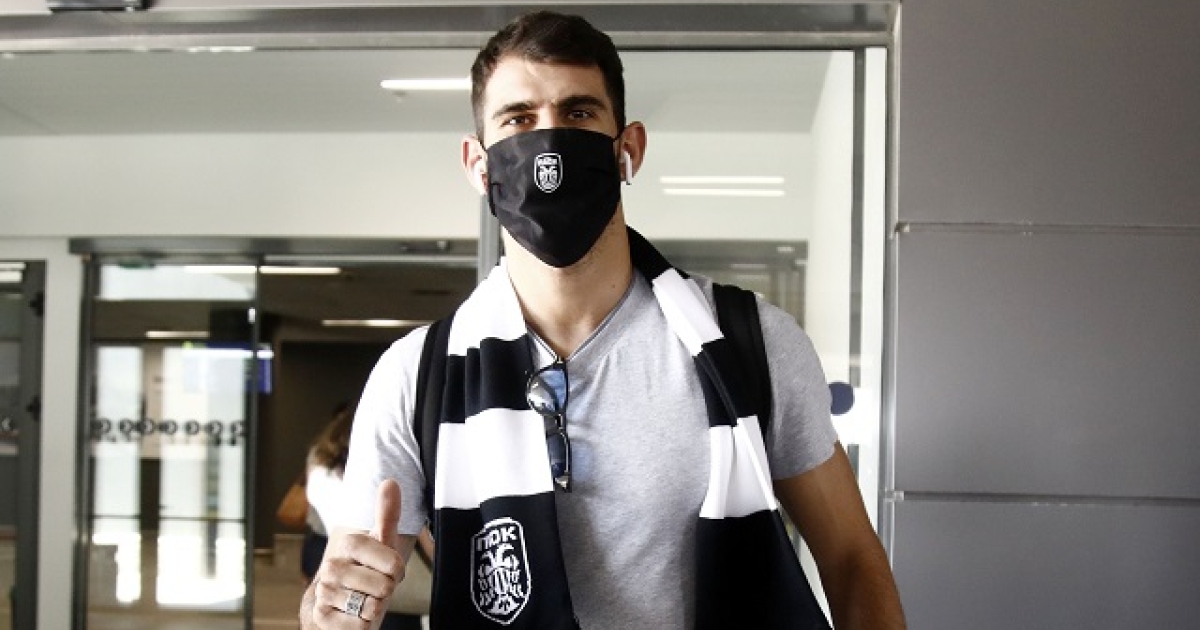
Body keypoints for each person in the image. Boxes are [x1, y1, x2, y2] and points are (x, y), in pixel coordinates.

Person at [301, 10, 905, 630]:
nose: (548, 145)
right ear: (478, 165)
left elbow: (852, 560)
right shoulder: (418, 375)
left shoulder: (752, 344)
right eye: (518, 119)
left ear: (628, 149)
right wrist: (336, 607)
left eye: (579, 113)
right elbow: (339, 595)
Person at [303, 401, 431, 630]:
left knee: (324, 609)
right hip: (374, 556)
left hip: (321, 546)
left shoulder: (317, 464)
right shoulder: (367, 472)